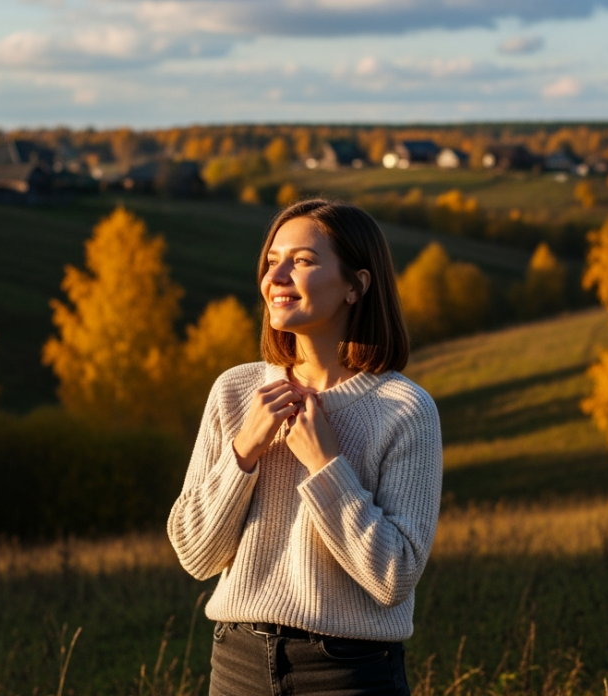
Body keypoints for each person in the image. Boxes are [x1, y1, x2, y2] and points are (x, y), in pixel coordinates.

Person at [167, 199, 443, 695]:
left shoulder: (405, 410)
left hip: (348, 674)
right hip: (237, 666)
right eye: (272, 261)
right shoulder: (235, 392)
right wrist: (243, 451)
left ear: (356, 285)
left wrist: (327, 465)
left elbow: (393, 577)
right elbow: (195, 555)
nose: (276, 277)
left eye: (303, 261)